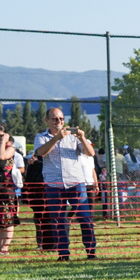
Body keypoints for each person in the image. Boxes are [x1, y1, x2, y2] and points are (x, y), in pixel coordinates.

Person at [34, 107, 97, 261]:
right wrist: (56, 139)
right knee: (59, 220)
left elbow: (91, 153)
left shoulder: (73, 136)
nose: (59, 122)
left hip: (75, 182)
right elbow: (40, 152)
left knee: (85, 218)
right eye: (55, 119)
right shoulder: (41, 137)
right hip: (54, 184)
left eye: (61, 119)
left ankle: (91, 252)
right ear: (47, 121)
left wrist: (82, 137)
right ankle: (63, 254)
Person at [0, 124, 16, 255]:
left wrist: (3, 142)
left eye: (1, 135)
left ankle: (5, 248)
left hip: (6, 190)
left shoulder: (10, 149)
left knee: (7, 219)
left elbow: (1, 157)